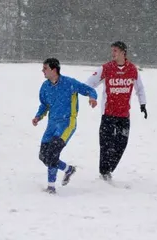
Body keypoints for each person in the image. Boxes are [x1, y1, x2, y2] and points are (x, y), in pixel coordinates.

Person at [33, 58, 98, 194]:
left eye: (45, 68)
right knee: (43, 156)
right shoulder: (45, 87)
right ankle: (68, 169)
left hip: (66, 124)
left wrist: (92, 97)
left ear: (54, 69)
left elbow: (88, 89)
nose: (42, 71)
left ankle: (51, 187)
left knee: (52, 152)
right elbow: (44, 104)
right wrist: (38, 116)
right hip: (51, 124)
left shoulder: (69, 83)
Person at [85, 41, 147, 181]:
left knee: (121, 145)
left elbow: (140, 88)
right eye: (112, 51)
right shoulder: (106, 68)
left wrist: (143, 104)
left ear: (123, 52)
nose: (112, 53)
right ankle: (104, 172)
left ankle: (109, 168)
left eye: (115, 51)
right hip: (108, 114)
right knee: (105, 145)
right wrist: (92, 96)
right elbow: (89, 84)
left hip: (124, 116)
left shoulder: (132, 69)